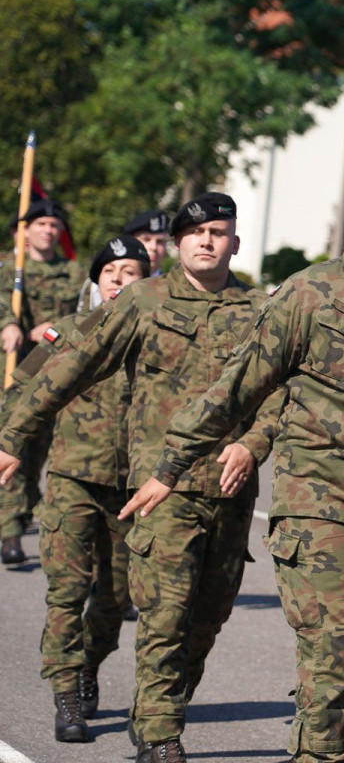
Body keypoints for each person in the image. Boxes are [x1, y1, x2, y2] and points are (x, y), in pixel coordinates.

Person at [131, 143, 344, 762]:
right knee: (338, 651)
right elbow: (237, 385)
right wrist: (172, 466)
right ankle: (320, 741)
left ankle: (321, 727)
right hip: (322, 505)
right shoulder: (309, 293)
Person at [0, 192, 283, 763]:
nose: (207, 240)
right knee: (164, 614)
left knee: (207, 619)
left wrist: (253, 444)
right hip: (161, 489)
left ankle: (159, 710)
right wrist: (14, 434)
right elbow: (73, 366)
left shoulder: (259, 312)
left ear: (236, 243)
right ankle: (159, 734)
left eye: (219, 231)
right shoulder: (144, 301)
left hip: (230, 490)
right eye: (196, 232)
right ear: (178, 245)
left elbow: (280, 391)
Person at [2, 236, 150, 743]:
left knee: (113, 598)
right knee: (66, 591)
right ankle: (66, 692)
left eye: (130, 271)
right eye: (110, 270)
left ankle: (88, 663)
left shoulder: (156, 340)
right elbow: (21, 390)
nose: (118, 279)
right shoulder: (64, 334)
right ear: (95, 279)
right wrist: (9, 443)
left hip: (132, 488)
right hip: (70, 480)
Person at [0, 198, 86, 565]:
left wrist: (57, 332)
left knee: (40, 453)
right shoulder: (9, 270)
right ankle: (10, 532)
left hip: (58, 371)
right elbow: (2, 301)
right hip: (18, 370)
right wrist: (8, 323)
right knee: (12, 444)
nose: (48, 231)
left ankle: (24, 510)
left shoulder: (74, 273)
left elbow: (87, 314)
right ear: (27, 230)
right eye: (41, 224)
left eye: (54, 226)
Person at [78, 210, 171, 312]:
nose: (153, 247)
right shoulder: (96, 285)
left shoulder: (171, 286)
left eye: (160, 241)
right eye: (146, 239)